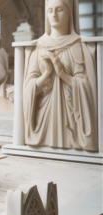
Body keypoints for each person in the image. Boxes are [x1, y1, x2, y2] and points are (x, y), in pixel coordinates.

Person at [24, 0, 97, 151]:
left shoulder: (78, 46)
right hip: (44, 119)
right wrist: (47, 73)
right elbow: (28, 87)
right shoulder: (39, 47)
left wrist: (62, 74)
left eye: (59, 10)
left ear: (69, 12)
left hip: (71, 119)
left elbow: (87, 87)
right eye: (50, 10)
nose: (54, 15)